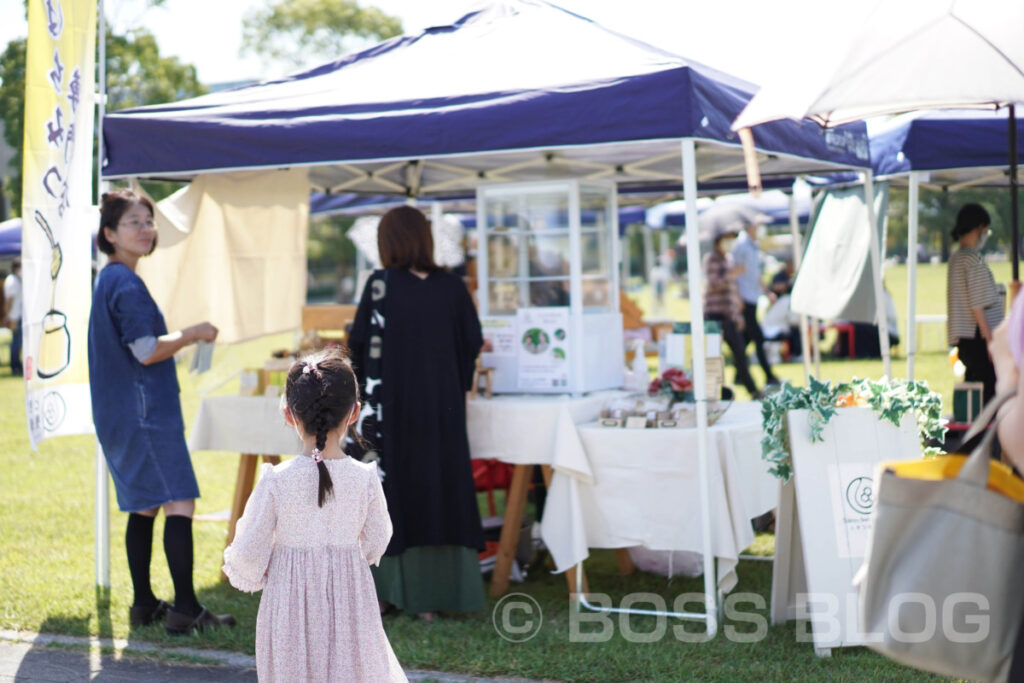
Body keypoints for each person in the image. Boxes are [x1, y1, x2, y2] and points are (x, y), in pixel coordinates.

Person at [88, 189, 235, 634]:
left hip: (123, 415)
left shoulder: (110, 279)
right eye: (135, 222)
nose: (146, 229)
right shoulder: (126, 283)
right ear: (110, 233)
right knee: (178, 501)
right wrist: (192, 333)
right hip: (144, 414)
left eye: (149, 221)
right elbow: (147, 350)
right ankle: (185, 609)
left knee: (145, 506)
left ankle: (144, 603)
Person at [223, 350, 407, 682]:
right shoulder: (364, 478)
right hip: (351, 604)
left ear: (289, 414)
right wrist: (346, 558)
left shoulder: (277, 481)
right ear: (354, 413)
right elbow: (379, 538)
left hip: (289, 609)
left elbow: (248, 554)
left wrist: (276, 570)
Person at [347, 205, 486, 621]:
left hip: (390, 412)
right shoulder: (452, 286)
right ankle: (441, 592)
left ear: (387, 242)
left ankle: (391, 592)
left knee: (393, 494)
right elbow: (472, 343)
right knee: (441, 490)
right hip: (442, 412)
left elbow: (359, 346)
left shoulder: (380, 286)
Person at [946, 203, 1003, 404]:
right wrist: (990, 341)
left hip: (964, 337)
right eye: (986, 230)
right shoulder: (972, 260)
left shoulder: (956, 258)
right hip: (977, 336)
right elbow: (978, 306)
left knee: (973, 389)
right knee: (988, 390)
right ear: (979, 227)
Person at [704, 226, 761, 399]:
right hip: (714, 314)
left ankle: (751, 389)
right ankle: (717, 391)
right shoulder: (712, 259)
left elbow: (731, 291)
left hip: (728, 314)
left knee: (739, 351)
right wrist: (731, 274)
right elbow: (714, 285)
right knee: (714, 356)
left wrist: (737, 314)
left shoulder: (728, 258)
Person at [732, 221, 780, 385]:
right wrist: (737, 298)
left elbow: (755, 272)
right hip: (744, 298)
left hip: (753, 296)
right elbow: (736, 274)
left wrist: (766, 292)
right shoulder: (741, 245)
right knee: (757, 338)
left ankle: (739, 373)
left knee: (746, 339)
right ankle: (769, 375)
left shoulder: (754, 246)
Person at [3, 257, 22, 376]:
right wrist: (7, 316)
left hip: (16, 314)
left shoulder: (16, 279)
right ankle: (15, 365)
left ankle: (16, 364)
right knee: (16, 342)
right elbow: (9, 301)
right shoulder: (13, 281)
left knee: (17, 341)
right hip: (14, 315)